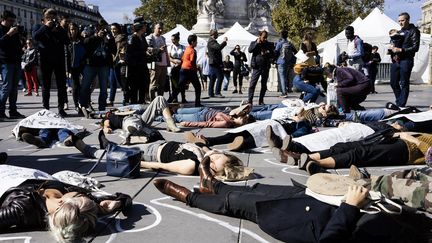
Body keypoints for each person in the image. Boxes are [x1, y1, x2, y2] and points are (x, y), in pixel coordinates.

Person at [153, 159, 429, 243]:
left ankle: (188, 196)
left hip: (314, 220)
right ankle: (214, 184)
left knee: (243, 204)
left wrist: (349, 208)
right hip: (327, 199)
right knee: (260, 190)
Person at [0, 164, 132, 243]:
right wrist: (118, 203)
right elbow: (125, 198)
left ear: (63, 203)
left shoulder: (22, 208)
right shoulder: (80, 207)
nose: (88, 196)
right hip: (25, 172)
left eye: (79, 195)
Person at [74, 131, 245, 177]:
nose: (212, 157)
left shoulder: (192, 165)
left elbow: (161, 166)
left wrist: (135, 163)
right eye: (217, 155)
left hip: (150, 154)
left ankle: (87, 149)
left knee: (112, 155)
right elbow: (208, 151)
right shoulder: (204, 156)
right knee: (118, 147)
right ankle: (110, 145)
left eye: (214, 162)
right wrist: (210, 150)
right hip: (159, 145)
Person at [295, 131, 432, 175]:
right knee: (347, 146)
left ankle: (317, 163)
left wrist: (412, 139)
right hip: (401, 140)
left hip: (408, 152)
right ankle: (305, 157)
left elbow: (430, 156)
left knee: (362, 153)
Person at [185, 118, 312, 151]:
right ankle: (208, 141)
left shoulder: (302, 125)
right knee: (236, 132)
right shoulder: (288, 117)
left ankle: (241, 145)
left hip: (275, 129)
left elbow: (296, 135)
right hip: (263, 124)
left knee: (256, 138)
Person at [33, 8, 69, 117]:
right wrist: (45, 27)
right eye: (49, 17)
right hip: (45, 60)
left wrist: (60, 30)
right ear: (44, 18)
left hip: (59, 60)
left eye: (53, 17)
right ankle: (46, 108)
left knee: (61, 85)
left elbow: (67, 41)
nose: (52, 19)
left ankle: (61, 108)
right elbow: (35, 37)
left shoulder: (59, 29)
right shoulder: (38, 27)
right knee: (46, 85)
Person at [80, 19, 116, 116]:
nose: (103, 29)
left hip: (104, 65)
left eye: (104, 26)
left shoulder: (108, 35)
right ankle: (83, 106)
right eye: (101, 26)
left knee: (104, 89)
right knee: (85, 86)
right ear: (97, 26)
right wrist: (96, 36)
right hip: (91, 64)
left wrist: (109, 40)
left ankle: (102, 109)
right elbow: (85, 43)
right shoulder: (90, 32)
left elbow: (114, 50)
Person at [100, 96, 180, 133]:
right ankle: (141, 132)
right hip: (127, 121)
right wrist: (106, 128)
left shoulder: (119, 111)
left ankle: (171, 124)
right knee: (131, 125)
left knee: (160, 99)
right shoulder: (109, 117)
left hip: (141, 118)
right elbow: (106, 124)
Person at [389, 12, 420, 108]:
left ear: (408, 20)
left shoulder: (414, 31)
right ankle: (399, 101)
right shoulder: (399, 31)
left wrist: (401, 50)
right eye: (399, 21)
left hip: (406, 60)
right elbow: (395, 44)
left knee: (404, 82)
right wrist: (391, 49)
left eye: (402, 20)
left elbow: (415, 47)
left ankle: (401, 104)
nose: (400, 23)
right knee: (393, 82)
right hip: (396, 60)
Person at [0, 10, 26, 120]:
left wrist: (21, 39)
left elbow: (18, 45)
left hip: (16, 60)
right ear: (3, 19)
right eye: (10, 21)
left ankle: (13, 111)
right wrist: (8, 34)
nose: (12, 23)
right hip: (5, 61)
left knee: (15, 88)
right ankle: (0, 112)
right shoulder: (1, 29)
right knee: (6, 87)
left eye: (13, 21)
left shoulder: (14, 31)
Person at [168, 34, 202, 107]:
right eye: (196, 41)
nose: (197, 43)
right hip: (190, 70)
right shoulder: (192, 50)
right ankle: (197, 103)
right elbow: (192, 61)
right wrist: (197, 67)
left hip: (183, 69)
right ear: (192, 42)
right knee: (198, 87)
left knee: (179, 86)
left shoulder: (187, 49)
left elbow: (183, 59)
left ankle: (170, 99)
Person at [127, 17, 150, 105]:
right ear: (140, 26)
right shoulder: (132, 38)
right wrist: (144, 52)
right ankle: (133, 108)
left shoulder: (143, 38)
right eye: (144, 25)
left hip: (143, 66)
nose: (145, 27)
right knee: (134, 89)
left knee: (143, 87)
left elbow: (145, 49)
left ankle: (141, 105)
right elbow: (130, 53)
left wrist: (150, 52)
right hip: (134, 68)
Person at [248, 30, 274, 105]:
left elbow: (273, 54)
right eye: (263, 37)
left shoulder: (268, 44)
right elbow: (250, 50)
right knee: (252, 84)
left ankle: (261, 100)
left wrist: (267, 53)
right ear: (259, 36)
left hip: (265, 66)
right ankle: (250, 100)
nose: (265, 39)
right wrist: (257, 43)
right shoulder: (254, 43)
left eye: (266, 37)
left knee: (264, 85)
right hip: (256, 67)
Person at [147, 22, 170, 100]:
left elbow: (166, 51)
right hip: (155, 64)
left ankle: (160, 101)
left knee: (162, 85)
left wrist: (168, 62)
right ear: (154, 28)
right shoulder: (150, 37)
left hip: (163, 64)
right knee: (153, 85)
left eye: (161, 28)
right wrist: (159, 50)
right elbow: (148, 50)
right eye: (159, 28)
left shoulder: (163, 38)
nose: (160, 30)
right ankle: (152, 101)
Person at [67, 22, 86, 115]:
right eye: (71, 29)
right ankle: (76, 105)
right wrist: (67, 69)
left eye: (74, 29)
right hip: (72, 67)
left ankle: (84, 103)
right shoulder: (68, 41)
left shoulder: (82, 40)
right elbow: (66, 56)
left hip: (82, 65)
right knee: (75, 87)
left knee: (84, 86)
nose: (73, 31)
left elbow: (86, 52)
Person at [172, 106, 249, 128]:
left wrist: (187, 124)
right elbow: (248, 106)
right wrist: (242, 111)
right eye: (245, 117)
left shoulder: (227, 122)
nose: (243, 118)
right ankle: (163, 109)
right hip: (204, 109)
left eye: (245, 121)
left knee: (175, 117)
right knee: (178, 110)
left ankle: (161, 117)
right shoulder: (234, 115)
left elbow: (207, 124)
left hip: (200, 117)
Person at [109, 22, 127, 106]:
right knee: (112, 82)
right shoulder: (110, 38)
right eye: (111, 29)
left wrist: (121, 59)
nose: (113, 31)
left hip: (119, 63)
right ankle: (111, 100)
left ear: (118, 29)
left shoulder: (121, 38)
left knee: (121, 82)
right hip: (112, 63)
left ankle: (125, 98)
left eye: (114, 29)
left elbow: (123, 49)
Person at [275, 29, 296, 98]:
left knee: (282, 77)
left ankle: (284, 93)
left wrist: (274, 60)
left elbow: (275, 52)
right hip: (288, 62)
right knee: (285, 76)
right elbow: (295, 51)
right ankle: (285, 90)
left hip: (281, 62)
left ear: (281, 35)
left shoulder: (280, 43)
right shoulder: (289, 43)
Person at [207, 29, 227, 98]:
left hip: (213, 62)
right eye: (217, 33)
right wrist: (224, 42)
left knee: (212, 78)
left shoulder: (212, 41)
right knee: (220, 77)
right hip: (215, 62)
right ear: (213, 34)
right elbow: (218, 47)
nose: (218, 35)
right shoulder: (211, 41)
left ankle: (211, 93)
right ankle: (217, 92)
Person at [167, 32, 186, 103]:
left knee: (182, 82)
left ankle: (183, 97)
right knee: (174, 82)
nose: (172, 41)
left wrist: (180, 62)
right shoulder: (170, 47)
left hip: (181, 66)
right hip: (173, 66)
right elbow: (169, 57)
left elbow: (184, 56)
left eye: (174, 39)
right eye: (171, 39)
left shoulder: (183, 47)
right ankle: (175, 97)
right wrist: (174, 61)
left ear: (178, 39)